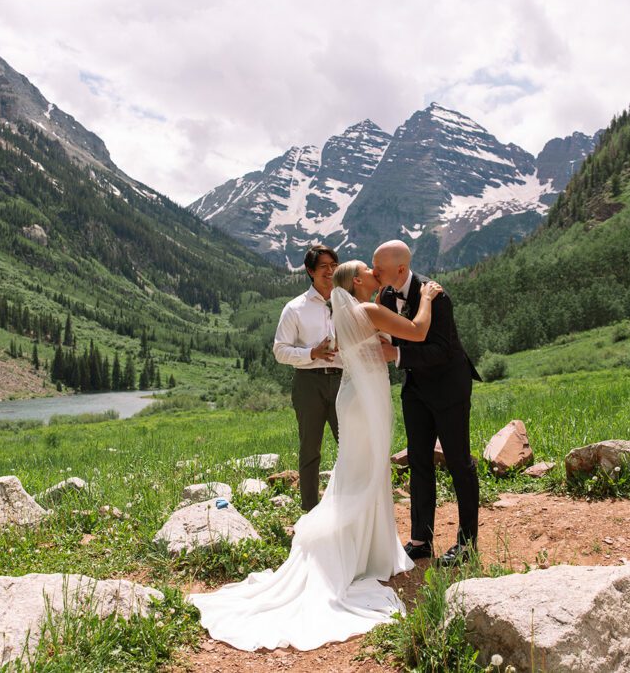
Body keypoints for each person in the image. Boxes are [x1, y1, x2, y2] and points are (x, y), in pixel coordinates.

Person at [189, 260, 444, 651]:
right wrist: (425, 298)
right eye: (369, 271)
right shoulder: (367, 310)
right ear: (357, 281)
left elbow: (381, 344)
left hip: (357, 397)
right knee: (363, 473)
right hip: (364, 402)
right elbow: (418, 330)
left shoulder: (347, 311)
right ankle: (356, 551)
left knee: (360, 471)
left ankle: (367, 550)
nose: (376, 274)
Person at [372, 239, 481, 567]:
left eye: (379, 267)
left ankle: (466, 543)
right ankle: (421, 539)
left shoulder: (437, 295)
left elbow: (442, 351)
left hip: (449, 387)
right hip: (416, 390)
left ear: (401, 269)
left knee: (459, 461)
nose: (374, 271)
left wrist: (396, 354)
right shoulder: (388, 296)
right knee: (418, 462)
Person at [273, 245, 341, 511]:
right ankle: (309, 510)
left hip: (342, 381)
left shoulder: (346, 302)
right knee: (310, 449)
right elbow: (280, 350)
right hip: (308, 383)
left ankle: (348, 508)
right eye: (323, 266)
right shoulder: (295, 308)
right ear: (310, 271)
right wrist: (311, 353)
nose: (330, 270)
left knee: (348, 446)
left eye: (334, 265)